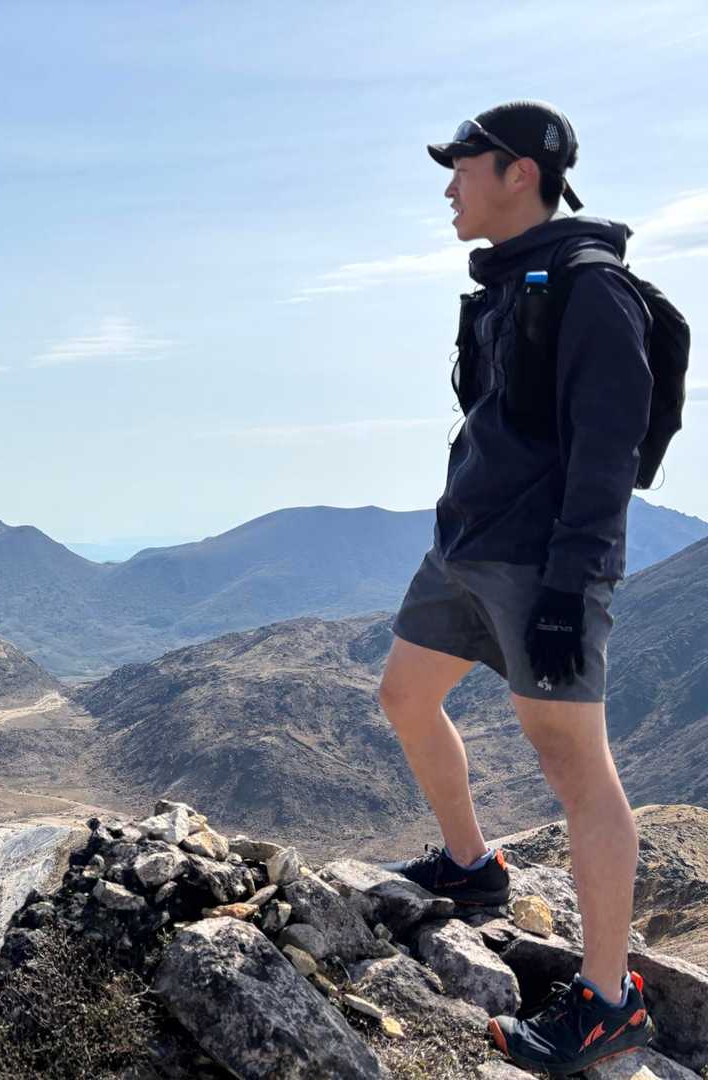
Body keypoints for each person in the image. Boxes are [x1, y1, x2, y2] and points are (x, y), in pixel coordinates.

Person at [379, 101, 654, 1073]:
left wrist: (568, 591)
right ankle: (471, 866)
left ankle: (609, 1001)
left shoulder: (592, 289)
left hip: (542, 563)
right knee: (405, 696)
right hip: (468, 544)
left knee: (576, 767)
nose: (450, 188)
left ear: (519, 173)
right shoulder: (509, 282)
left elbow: (608, 452)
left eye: (463, 168)